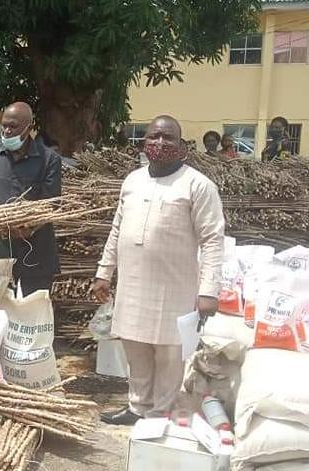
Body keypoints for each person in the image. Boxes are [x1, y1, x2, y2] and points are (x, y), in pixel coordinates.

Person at [93, 115, 224, 426]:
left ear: (182, 148)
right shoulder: (133, 181)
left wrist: (209, 291)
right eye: (154, 137)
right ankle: (137, 408)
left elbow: (212, 240)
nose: (160, 143)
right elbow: (117, 229)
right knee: (135, 350)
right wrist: (103, 272)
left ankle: (159, 414)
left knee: (169, 354)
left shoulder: (198, 185)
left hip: (175, 289)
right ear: (144, 142)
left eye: (169, 139)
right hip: (133, 286)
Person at [0, 102, 62, 296]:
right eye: (4, 125)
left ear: (29, 127)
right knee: (0, 310)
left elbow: (51, 205)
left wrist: (28, 227)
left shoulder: (49, 160)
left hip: (37, 249)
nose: (6, 131)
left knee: (35, 312)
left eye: (12, 126)